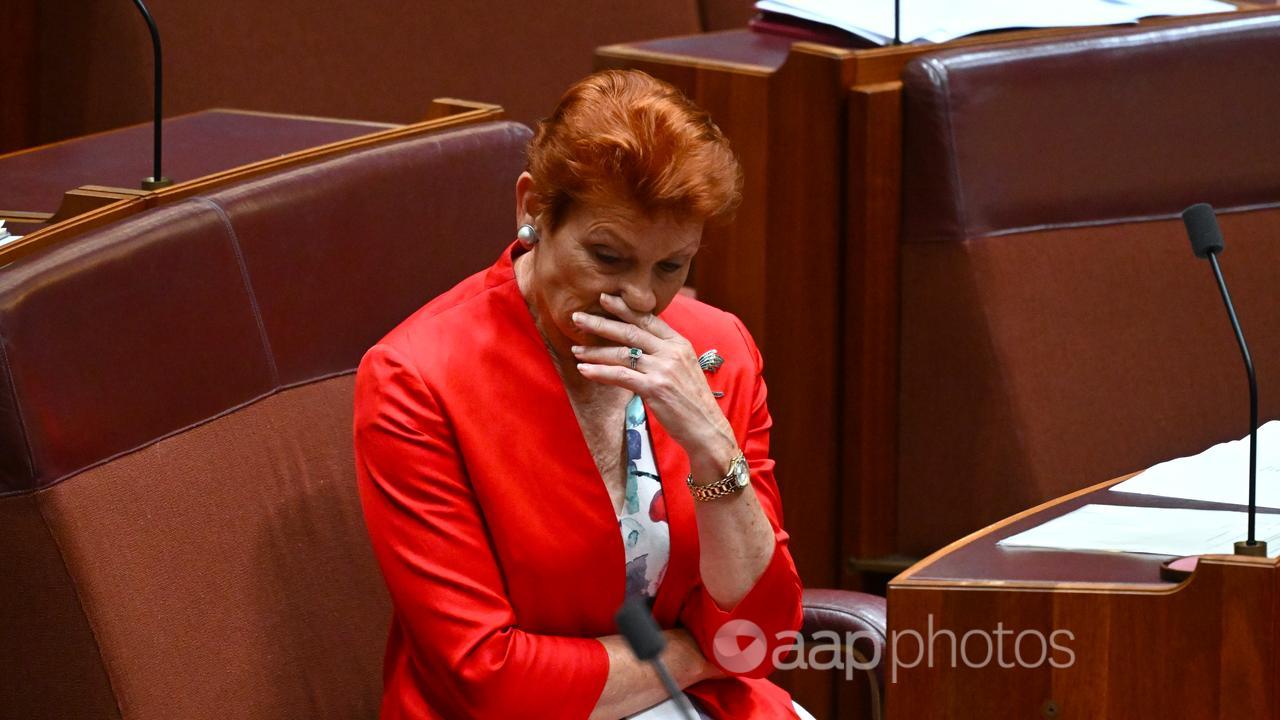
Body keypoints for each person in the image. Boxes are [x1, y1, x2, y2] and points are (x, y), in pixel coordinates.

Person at [354, 69, 808, 719]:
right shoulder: (418, 380)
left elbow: (761, 636)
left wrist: (712, 447)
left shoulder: (716, 351)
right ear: (533, 209)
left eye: (671, 266)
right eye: (608, 256)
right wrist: (694, 656)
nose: (641, 299)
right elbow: (489, 679)